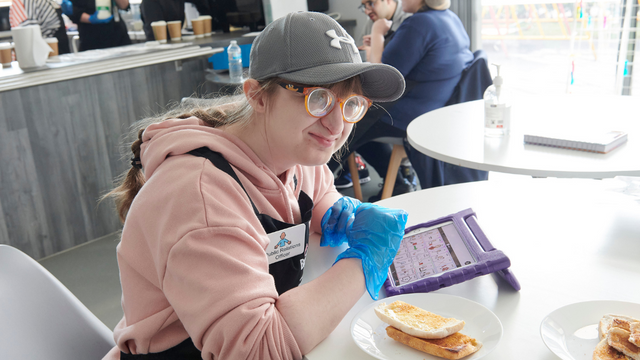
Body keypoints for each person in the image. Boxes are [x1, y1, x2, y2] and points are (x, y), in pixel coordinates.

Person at [101, 11, 408, 360]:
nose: (337, 125)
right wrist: (363, 261)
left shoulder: (292, 149)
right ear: (258, 96)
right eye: (318, 98)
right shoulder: (197, 195)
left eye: (350, 103)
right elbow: (258, 349)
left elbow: (318, 190)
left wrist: (331, 211)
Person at [344, 0, 487, 191]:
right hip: (433, 110)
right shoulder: (451, 19)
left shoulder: (418, 24)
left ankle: (314, 188)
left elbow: (380, 80)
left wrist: (378, 33)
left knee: (345, 124)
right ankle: (397, 185)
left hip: (406, 116)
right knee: (358, 128)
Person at [61, 0, 131, 51]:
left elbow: (124, 6)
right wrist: (90, 19)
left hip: (117, 35)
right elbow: (73, 11)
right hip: (91, 38)